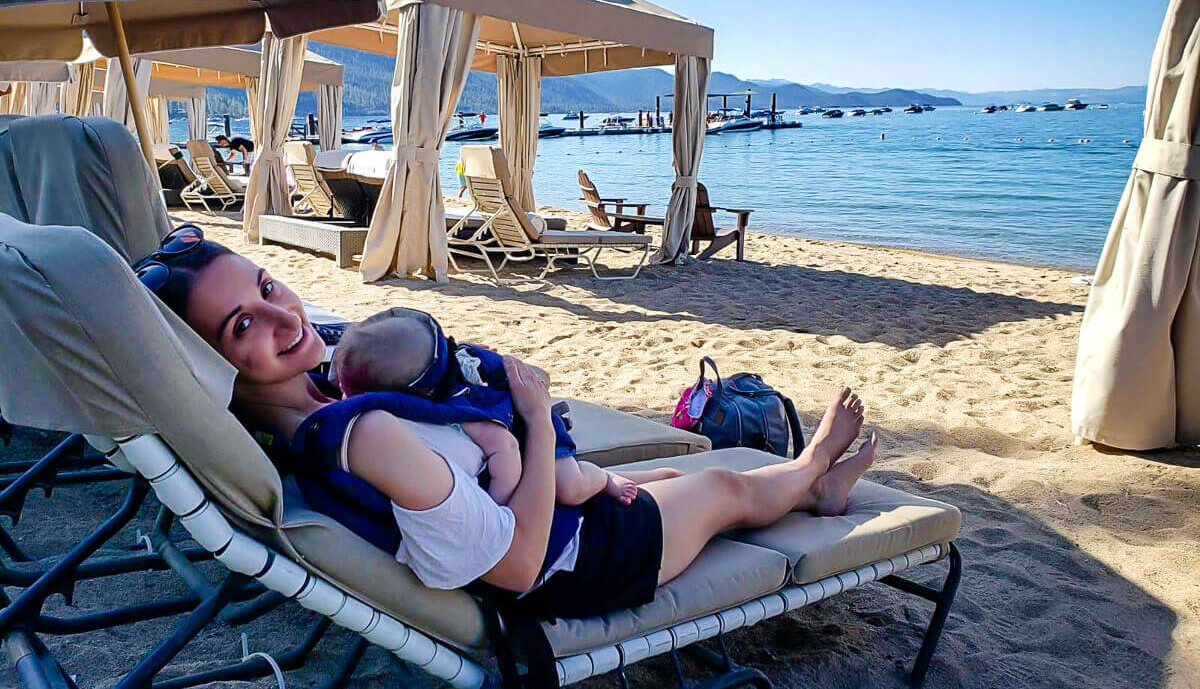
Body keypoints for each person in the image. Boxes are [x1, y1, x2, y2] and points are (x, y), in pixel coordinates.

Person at [138, 225, 877, 621]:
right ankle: (813, 470)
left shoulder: (313, 396)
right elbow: (517, 566)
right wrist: (530, 415)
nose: (283, 314)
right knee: (720, 485)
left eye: (268, 286)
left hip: (556, 514)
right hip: (574, 562)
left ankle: (809, 492)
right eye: (243, 325)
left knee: (656, 473)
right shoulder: (367, 439)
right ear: (213, 363)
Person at [331, 311, 664, 506]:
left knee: (570, 488)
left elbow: (505, 451)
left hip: (529, 423)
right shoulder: (433, 360)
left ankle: (604, 478)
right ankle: (636, 476)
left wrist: (497, 501)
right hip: (521, 402)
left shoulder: (468, 409)